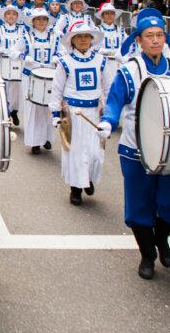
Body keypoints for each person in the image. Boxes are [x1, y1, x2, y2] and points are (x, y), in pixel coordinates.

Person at [98, 9, 170, 280]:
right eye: (149, 36)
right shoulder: (129, 70)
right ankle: (147, 254)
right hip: (135, 147)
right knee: (140, 204)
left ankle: (161, 237)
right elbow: (116, 100)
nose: (155, 41)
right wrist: (108, 121)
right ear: (139, 40)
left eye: (159, 35)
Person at [49, 21, 107, 206]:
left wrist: (107, 113)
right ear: (72, 40)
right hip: (73, 115)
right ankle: (76, 189)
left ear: (91, 39)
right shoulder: (64, 62)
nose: (83, 40)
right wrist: (56, 114)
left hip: (94, 114)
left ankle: (88, 178)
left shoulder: (101, 60)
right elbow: (57, 89)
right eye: (79, 37)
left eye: (86, 37)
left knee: (95, 153)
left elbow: (106, 88)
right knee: (75, 153)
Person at [13, 8, 58, 154]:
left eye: (44, 19)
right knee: (33, 109)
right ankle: (34, 142)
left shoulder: (55, 36)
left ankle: (47, 139)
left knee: (49, 108)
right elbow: (14, 51)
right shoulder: (25, 36)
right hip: (31, 77)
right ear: (33, 21)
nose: (41, 22)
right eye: (37, 19)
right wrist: (25, 57)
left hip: (51, 76)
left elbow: (64, 52)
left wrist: (58, 57)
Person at [0, 5, 24, 127]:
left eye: (14, 14)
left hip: (17, 63)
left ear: (17, 17)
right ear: (4, 16)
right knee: (4, 87)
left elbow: (27, 44)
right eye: (8, 14)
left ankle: (14, 111)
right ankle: (4, 113)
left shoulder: (22, 30)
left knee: (16, 89)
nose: (11, 16)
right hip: (3, 62)